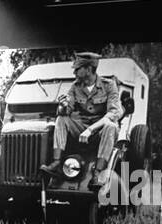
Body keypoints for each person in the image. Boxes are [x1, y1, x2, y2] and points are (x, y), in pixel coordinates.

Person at [41, 51, 121, 187]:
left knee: (111, 126)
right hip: (80, 129)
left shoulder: (109, 85)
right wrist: (63, 106)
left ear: (89, 69)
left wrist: (91, 129)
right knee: (61, 119)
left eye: (78, 69)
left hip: (99, 132)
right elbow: (67, 110)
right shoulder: (75, 86)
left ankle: (97, 173)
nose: (74, 73)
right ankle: (56, 163)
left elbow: (114, 112)